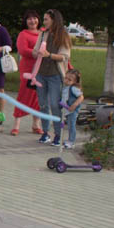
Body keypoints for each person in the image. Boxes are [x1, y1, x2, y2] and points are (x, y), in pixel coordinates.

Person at [33, 9, 71, 146]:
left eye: (46, 19)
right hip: (41, 74)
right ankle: (45, 132)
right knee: (42, 104)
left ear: (54, 20)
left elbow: (65, 56)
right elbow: (35, 51)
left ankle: (58, 134)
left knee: (55, 105)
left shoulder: (63, 36)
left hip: (55, 74)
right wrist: (37, 52)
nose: (44, 22)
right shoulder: (43, 33)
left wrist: (49, 55)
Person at [11, 10, 43, 136]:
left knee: (38, 96)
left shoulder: (43, 34)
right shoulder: (23, 34)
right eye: (29, 19)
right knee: (24, 94)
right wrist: (36, 53)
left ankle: (36, 124)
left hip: (40, 68)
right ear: (25, 21)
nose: (32, 21)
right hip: (28, 70)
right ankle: (16, 124)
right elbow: (23, 50)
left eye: (34, 18)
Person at [61, 69, 84, 149]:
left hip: (72, 110)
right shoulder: (65, 87)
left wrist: (74, 105)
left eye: (69, 80)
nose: (66, 80)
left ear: (75, 81)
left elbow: (81, 97)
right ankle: (68, 140)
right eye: (65, 78)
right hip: (66, 110)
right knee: (68, 124)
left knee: (71, 125)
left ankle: (71, 141)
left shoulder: (73, 88)